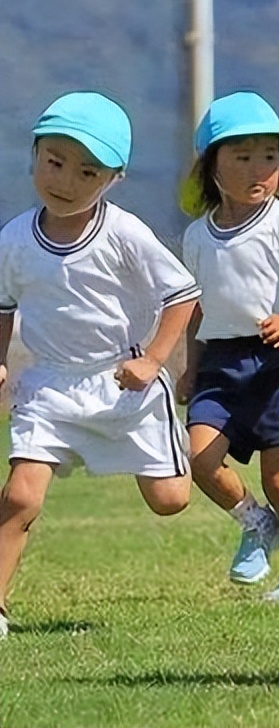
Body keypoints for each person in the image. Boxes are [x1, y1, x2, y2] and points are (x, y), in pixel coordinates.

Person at [0, 93, 200, 639]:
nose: (65, 180)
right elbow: (3, 305)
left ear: (113, 179)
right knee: (20, 495)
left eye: (87, 171)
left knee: (170, 501)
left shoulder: (124, 233)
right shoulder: (14, 238)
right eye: (55, 162)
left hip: (123, 382)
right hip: (50, 385)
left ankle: (177, 454)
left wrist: (155, 360)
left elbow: (182, 293)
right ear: (35, 155)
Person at [177, 92, 279, 601]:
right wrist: (190, 368)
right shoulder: (197, 237)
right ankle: (256, 524)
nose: (258, 169)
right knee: (197, 459)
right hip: (221, 364)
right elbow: (197, 308)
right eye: (241, 156)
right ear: (211, 167)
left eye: (268, 156)